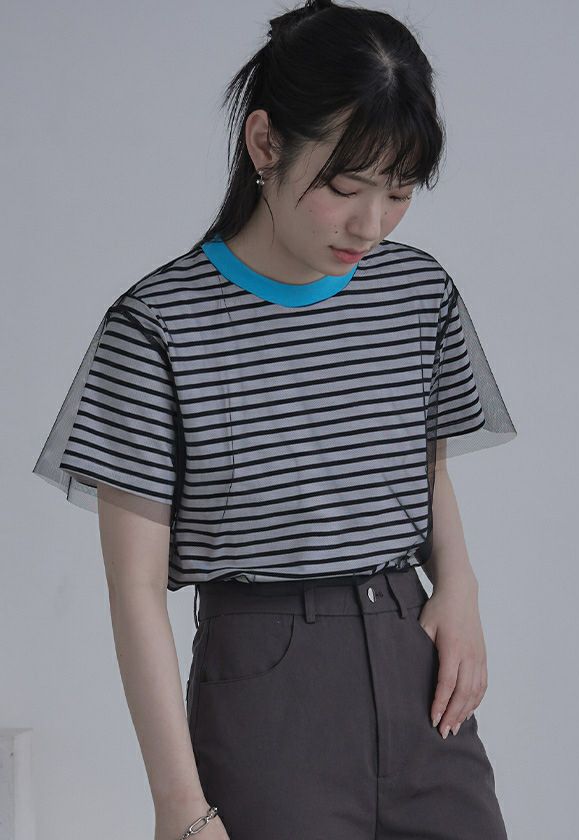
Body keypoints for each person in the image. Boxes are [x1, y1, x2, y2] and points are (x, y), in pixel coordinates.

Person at [32, 1, 517, 837]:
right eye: (345, 188)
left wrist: (461, 587)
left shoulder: (416, 293)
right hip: (267, 697)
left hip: (418, 670)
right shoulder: (158, 328)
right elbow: (134, 588)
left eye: (399, 192)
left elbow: (419, 462)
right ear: (265, 143)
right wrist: (180, 808)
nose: (371, 225)